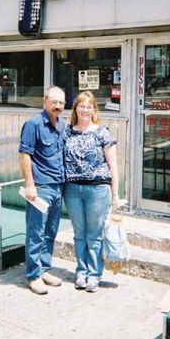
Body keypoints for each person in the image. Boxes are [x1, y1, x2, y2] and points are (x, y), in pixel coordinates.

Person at [64, 91, 119, 292]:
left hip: (97, 190)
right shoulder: (67, 132)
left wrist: (116, 194)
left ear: (94, 109)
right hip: (72, 190)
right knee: (79, 233)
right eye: (81, 105)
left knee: (94, 234)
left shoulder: (102, 133)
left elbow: (113, 167)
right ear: (75, 108)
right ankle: (81, 271)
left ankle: (94, 274)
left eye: (89, 106)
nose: (85, 109)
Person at [18, 86, 66, 295]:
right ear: (44, 101)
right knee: (36, 232)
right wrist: (30, 184)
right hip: (41, 187)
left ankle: (44, 269)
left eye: (62, 103)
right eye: (54, 102)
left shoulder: (62, 124)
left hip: (58, 186)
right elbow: (25, 155)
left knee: (50, 231)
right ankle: (33, 275)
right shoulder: (33, 124)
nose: (58, 106)